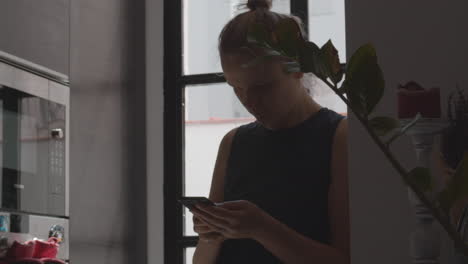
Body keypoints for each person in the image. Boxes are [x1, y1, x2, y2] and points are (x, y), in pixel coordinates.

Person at [190, 0, 349, 263]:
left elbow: (348, 258)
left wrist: (261, 228)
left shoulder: (339, 137)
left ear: (298, 67)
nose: (249, 101)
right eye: (236, 88)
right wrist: (211, 234)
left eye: (262, 87)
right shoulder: (234, 142)